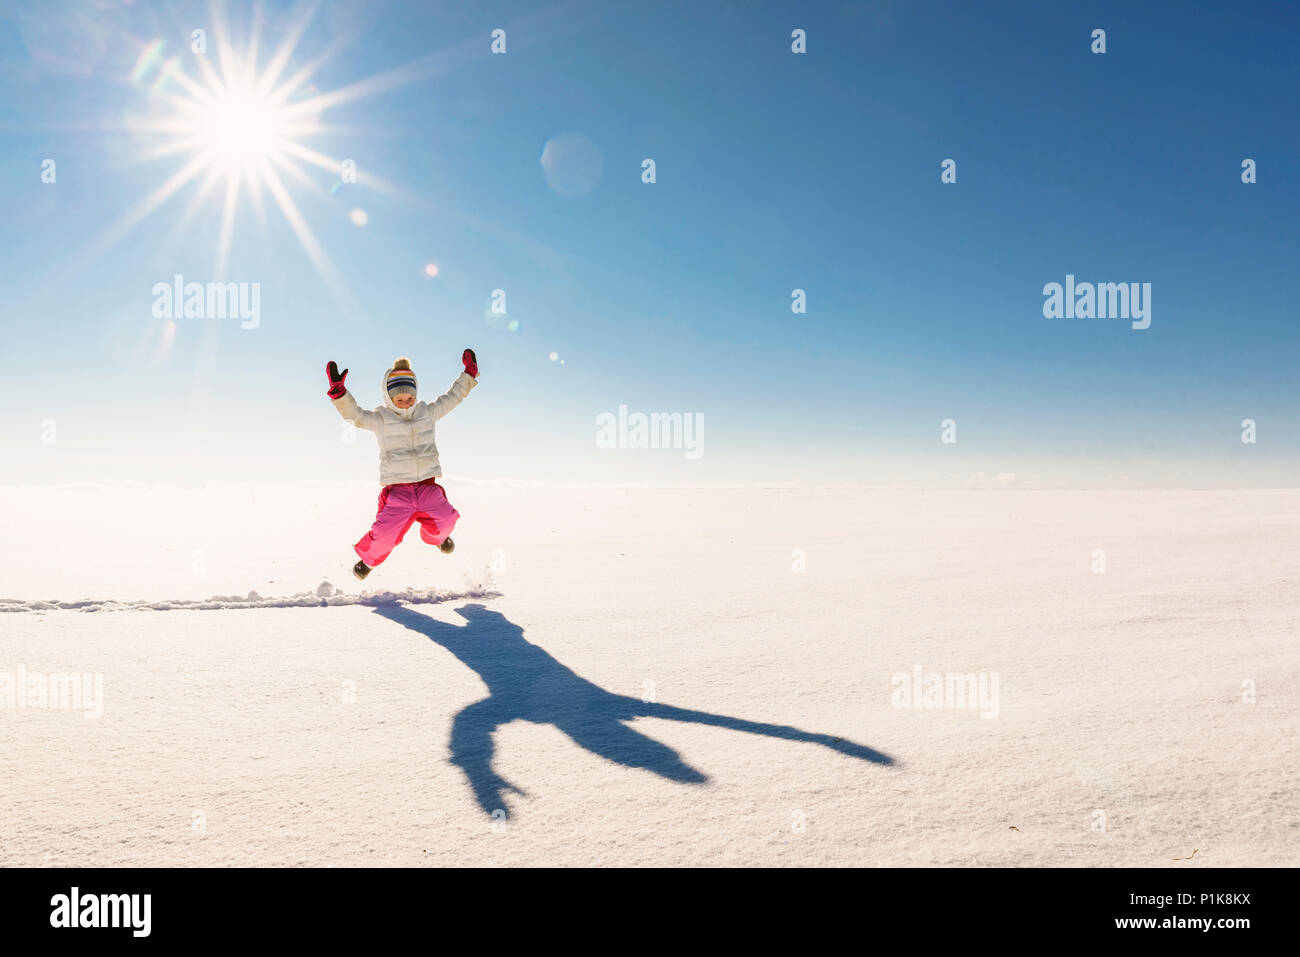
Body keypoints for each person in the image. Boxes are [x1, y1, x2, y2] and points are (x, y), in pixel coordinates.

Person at [326, 349, 479, 579]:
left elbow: (452, 398)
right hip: (398, 494)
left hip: (428, 487)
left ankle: (436, 539)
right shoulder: (380, 419)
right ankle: (367, 561)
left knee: (446, 520)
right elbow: (355, 416)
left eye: (410, 398)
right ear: (389, 397)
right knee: (384, 534)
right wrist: (340, 395)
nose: (406, 403)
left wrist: (468, 375)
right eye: (400, 399)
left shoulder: (427, 413)